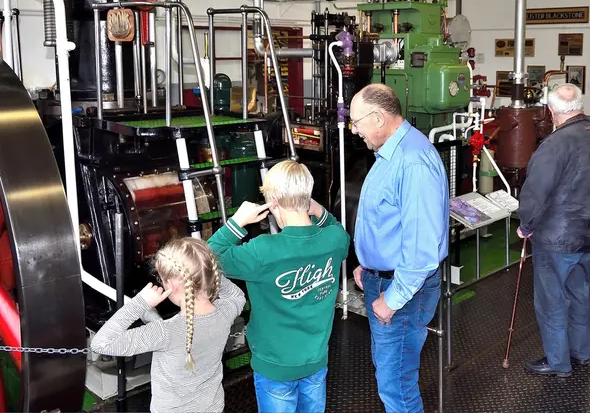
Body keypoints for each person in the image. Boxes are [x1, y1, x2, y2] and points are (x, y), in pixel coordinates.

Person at [208, 160, 349, 413]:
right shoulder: (334, 240)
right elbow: (337, 228)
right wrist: (319, 211)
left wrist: (237, 221)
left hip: (274, 367)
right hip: (316, 362)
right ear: (307, 196)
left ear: (272, 201)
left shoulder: (262, 251)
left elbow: (207, 257)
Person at [350, 84, 448, 412]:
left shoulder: (413, 161)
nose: (354, 130)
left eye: (357, 122)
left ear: (378, 118)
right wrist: (369, 261)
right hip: (384, 277)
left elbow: (422, 249)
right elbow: (392, 221)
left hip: (403, 289)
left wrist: (391, 300)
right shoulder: (391, 153)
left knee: (397, 384)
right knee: (391, 376)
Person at [516, 84, 590, 377]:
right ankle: (580, 353)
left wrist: (525, 225)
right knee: (579, 294)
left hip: (557, 240)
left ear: (552, 110)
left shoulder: (555, 145)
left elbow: (535, 192)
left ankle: (558, 362)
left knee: (552, 301)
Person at [90, 238, 246, 412]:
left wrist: (140, 303)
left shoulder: (164, 332)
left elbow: (101, 344)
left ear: (171, 285)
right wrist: (205, 270)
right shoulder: (225, 312)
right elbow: (237, 296)